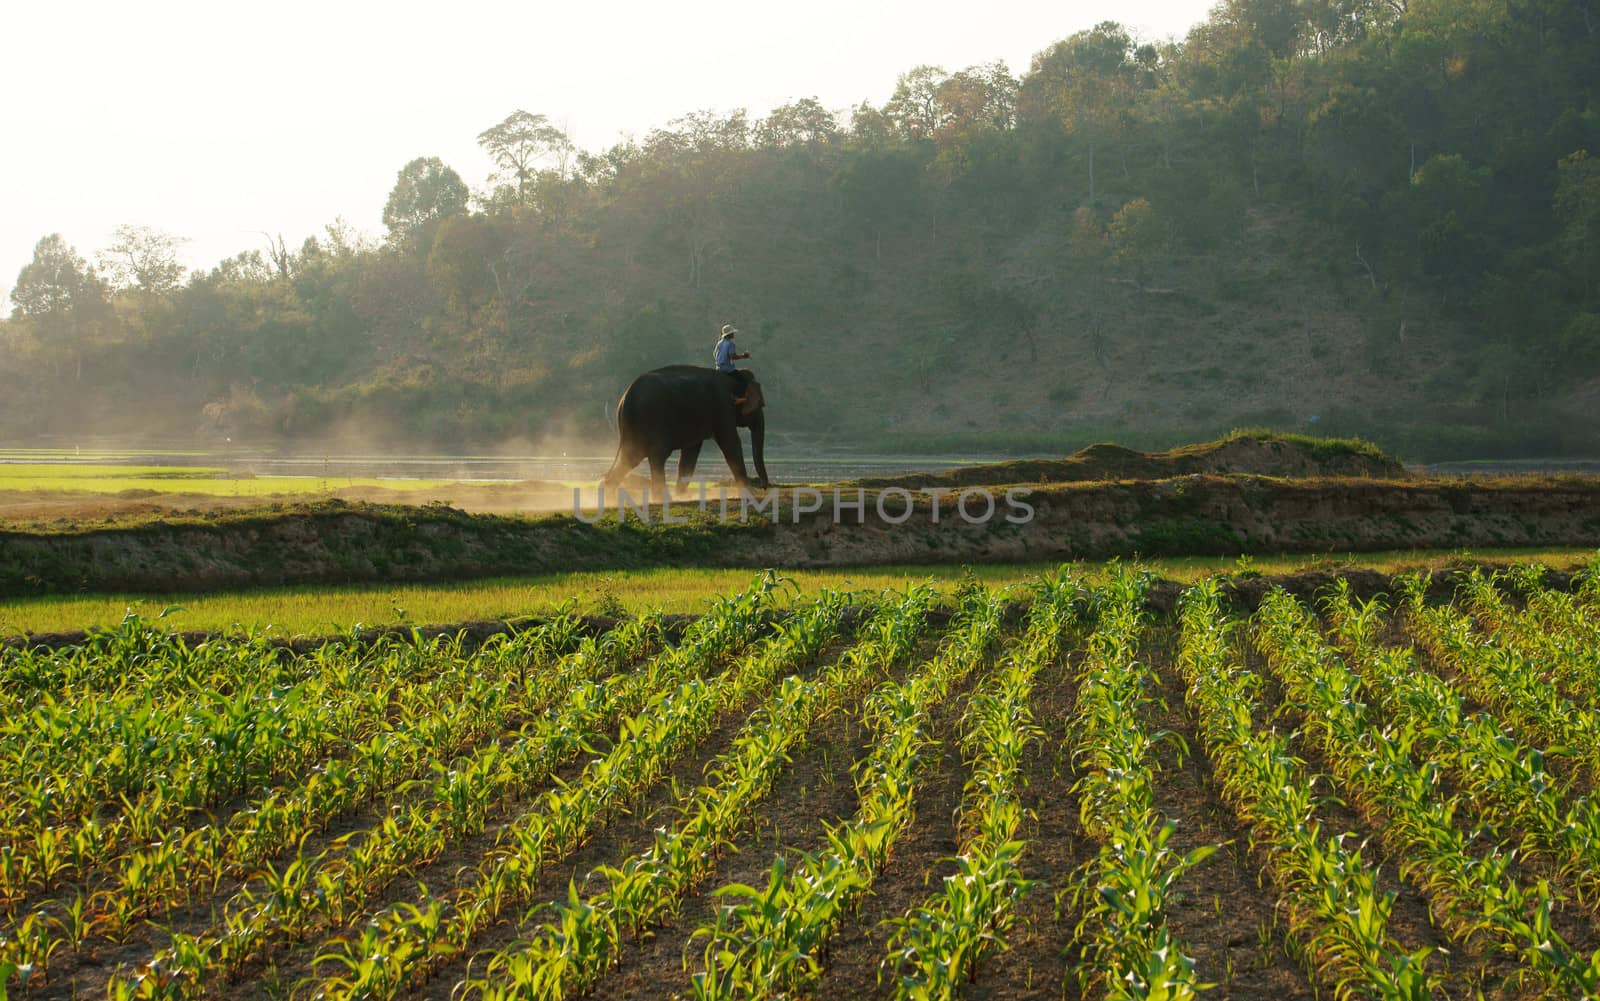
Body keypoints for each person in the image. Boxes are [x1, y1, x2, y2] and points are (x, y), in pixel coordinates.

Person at [713, 323, 751, 401]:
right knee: (743, 380)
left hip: (719, 368)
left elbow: (714, 354)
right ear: (729, 334)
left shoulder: (719, 343)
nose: (733, 334)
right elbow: (732, 357)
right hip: (727, 369)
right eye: (732, 333)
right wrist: (743, 356)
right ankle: (737, 397)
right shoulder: (730, 344)